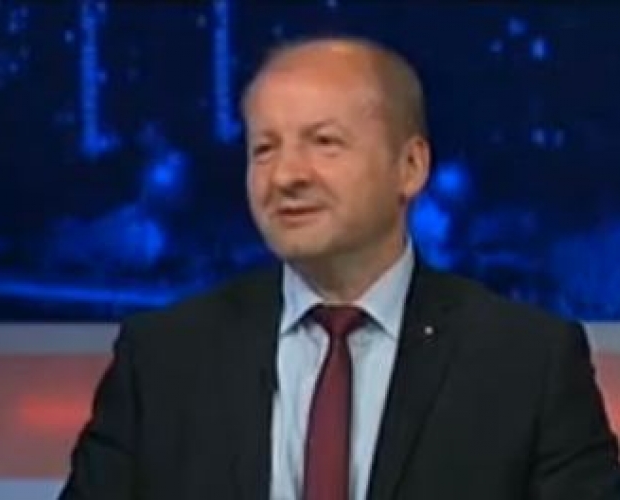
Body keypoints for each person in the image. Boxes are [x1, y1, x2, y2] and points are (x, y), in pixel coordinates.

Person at [58, 36, 620, 500]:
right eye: (264, 149)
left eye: (324, 142)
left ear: (410, 166)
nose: (285, 176)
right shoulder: (161, 359)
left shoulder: (529, 364)